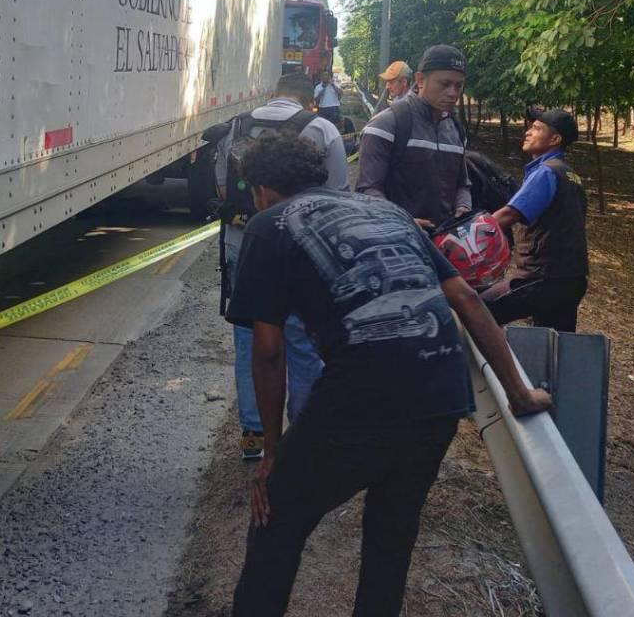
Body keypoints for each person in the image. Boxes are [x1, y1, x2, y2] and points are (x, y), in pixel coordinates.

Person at [226, 134, 552, 616]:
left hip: (358, 400)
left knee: (276, 520)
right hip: (442, 397)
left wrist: (273, 452)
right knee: (390, 539)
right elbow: (465, 298)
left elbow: (269, 351)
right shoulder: (390, 213)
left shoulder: (268, 224)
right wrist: (519, 393)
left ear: (261, 190)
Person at [214, 73, 350, 459]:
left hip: (244, 243)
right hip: (304, 251)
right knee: (303, 340)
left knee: (249, 338)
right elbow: (338, 195)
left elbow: (223, 190)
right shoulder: (323, 130)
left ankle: (253, 434)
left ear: (272, 96)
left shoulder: (236, 126)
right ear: (310, 102)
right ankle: (302, 432)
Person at [485, 108, 589, 332]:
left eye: (537, 128)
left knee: (477, 310)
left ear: (555, 139)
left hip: (542, 279)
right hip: (572, 279)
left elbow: (509, 215)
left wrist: (472, 234)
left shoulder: (546, 173)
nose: (528, 132)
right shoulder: (572, 176)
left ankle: (490, 366)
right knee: (555, 344)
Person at [356, 45, 470, 229]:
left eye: (458, 86)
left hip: (445, 245)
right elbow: (367, 190)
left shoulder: (456, 129)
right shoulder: (385, 125)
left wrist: (464, 205)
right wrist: (402, 221)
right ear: (420, 80)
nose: (453, 93)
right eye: (445, 84)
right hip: (398, 244)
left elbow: (462, 184)